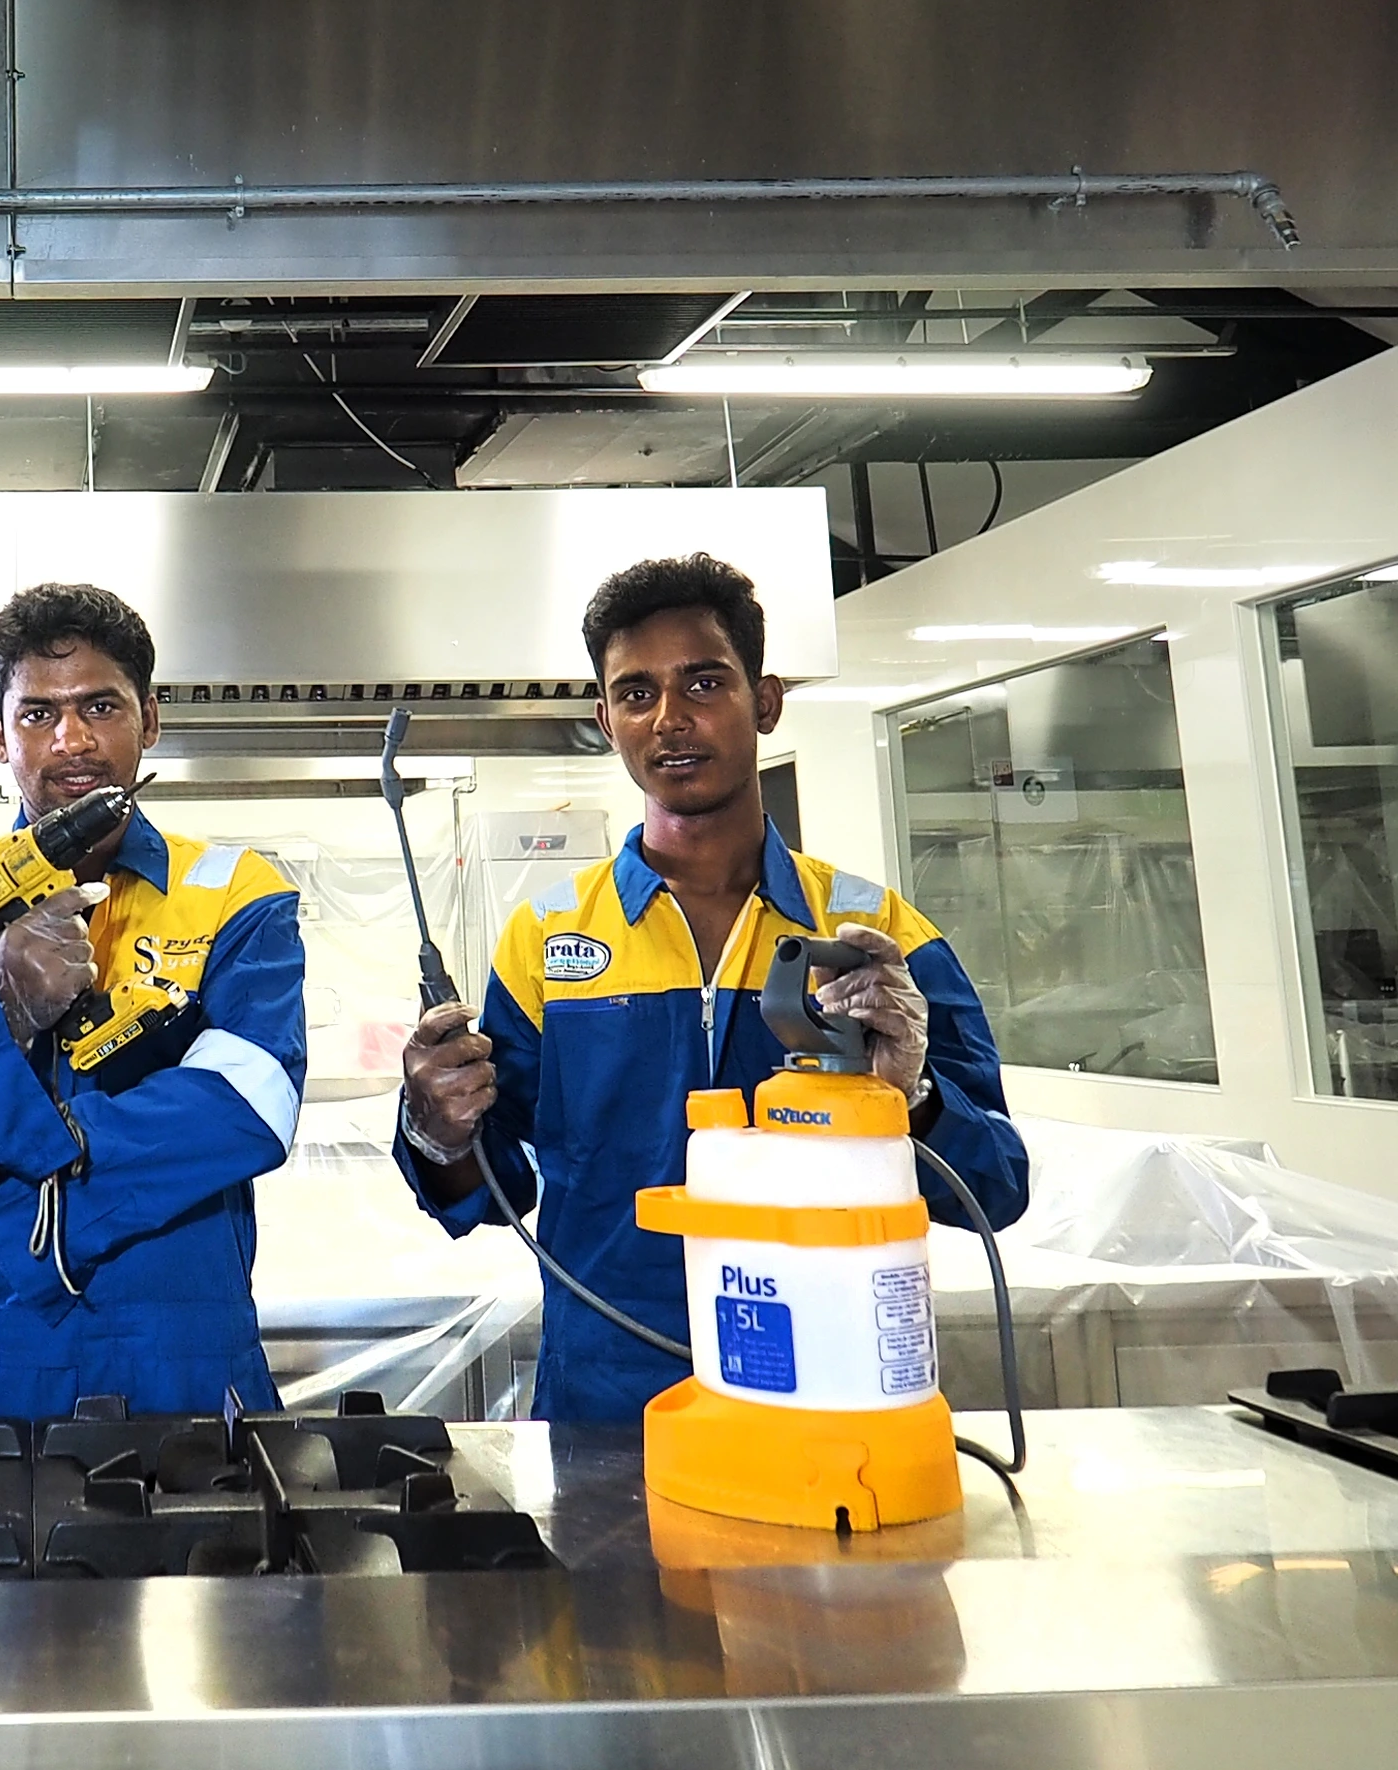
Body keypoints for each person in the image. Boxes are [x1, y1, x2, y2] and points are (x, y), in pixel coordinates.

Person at [396, 550, 1030, 1423]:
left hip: (824, 1376)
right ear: (605, 720)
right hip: (610, 1392)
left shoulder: (876, 938)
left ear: (763, 701)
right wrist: (436, 1127)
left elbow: (998, 1184)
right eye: (635, 694)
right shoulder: (547, 940)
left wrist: (912, 1096)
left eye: (703, 683)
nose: (669, 720)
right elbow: (493, 1182)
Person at [0, 582, 308, 1419]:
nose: (71, 739)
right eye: (37, 714)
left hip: (183, 1364)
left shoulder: (234, 894)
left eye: (99, 705)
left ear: (150, 719)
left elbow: (246, 1106)